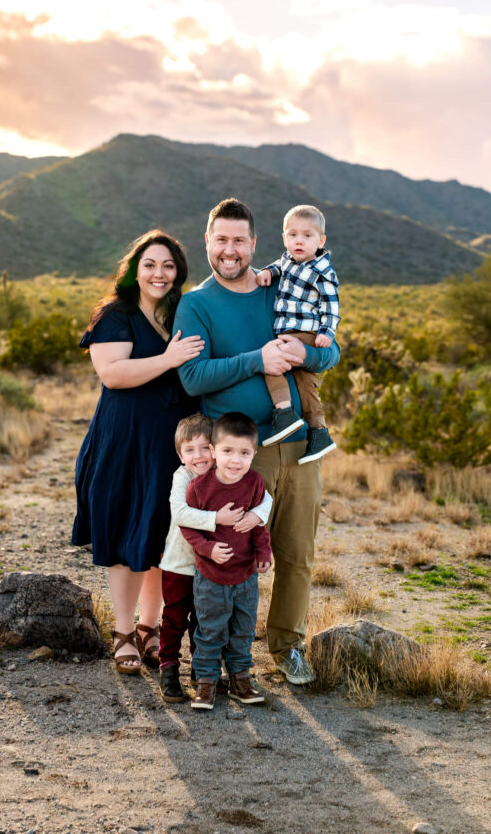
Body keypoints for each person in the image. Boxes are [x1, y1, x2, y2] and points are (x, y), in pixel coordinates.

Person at [173, 199, 340, 685]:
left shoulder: (279, 288)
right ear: (207, 242)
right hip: (243, 458)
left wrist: (306, 351)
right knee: (234, 557)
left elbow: (330, 353)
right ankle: (227, 658)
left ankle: (288, 647)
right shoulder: (197, 303)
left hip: (302, 447)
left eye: (239, 240)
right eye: (221, 240)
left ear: (254, 244)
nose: (230, 250)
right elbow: (192, 377)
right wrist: (257, 359)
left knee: (296, 555)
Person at [72, 231, 203, 674]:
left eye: (168, 266)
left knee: (158, 534)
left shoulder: (179, 314)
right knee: (126, 535)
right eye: (150, 264)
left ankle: (150, 628)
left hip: (170, 443)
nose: (159, 274)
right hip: (126, 439)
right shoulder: (117, 315)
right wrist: (168, 358)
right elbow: (112, 374)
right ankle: (123, 632)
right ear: (134, 269)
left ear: (178, 273)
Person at [158, 412, 273, 703]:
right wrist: (217, 518)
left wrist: (257, 517)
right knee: (174, 616)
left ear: (213, 449)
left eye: (204, 448)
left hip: (210, 569)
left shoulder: (234, 478)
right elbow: (181, 515)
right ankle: (169, 667)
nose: (199, 456)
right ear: (180, 454)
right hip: (180, 562)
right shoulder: (186, 479)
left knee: (204, 620)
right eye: (189, 450)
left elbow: (263, 501)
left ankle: (203, 676)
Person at [256, 203, 340, 463]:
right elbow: (278, 265)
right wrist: (269, 271)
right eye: (292, 235)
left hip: (305, 332)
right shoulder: (287, 260)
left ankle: (284, 414)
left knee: (272, 364)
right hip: (290, 331)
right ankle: (319, 431)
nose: (299, 241)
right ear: (284, 238)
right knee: (307, 385)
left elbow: (331, 303)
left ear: (320, 240)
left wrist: (327, 331)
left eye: (307, 236)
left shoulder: (321, 270)